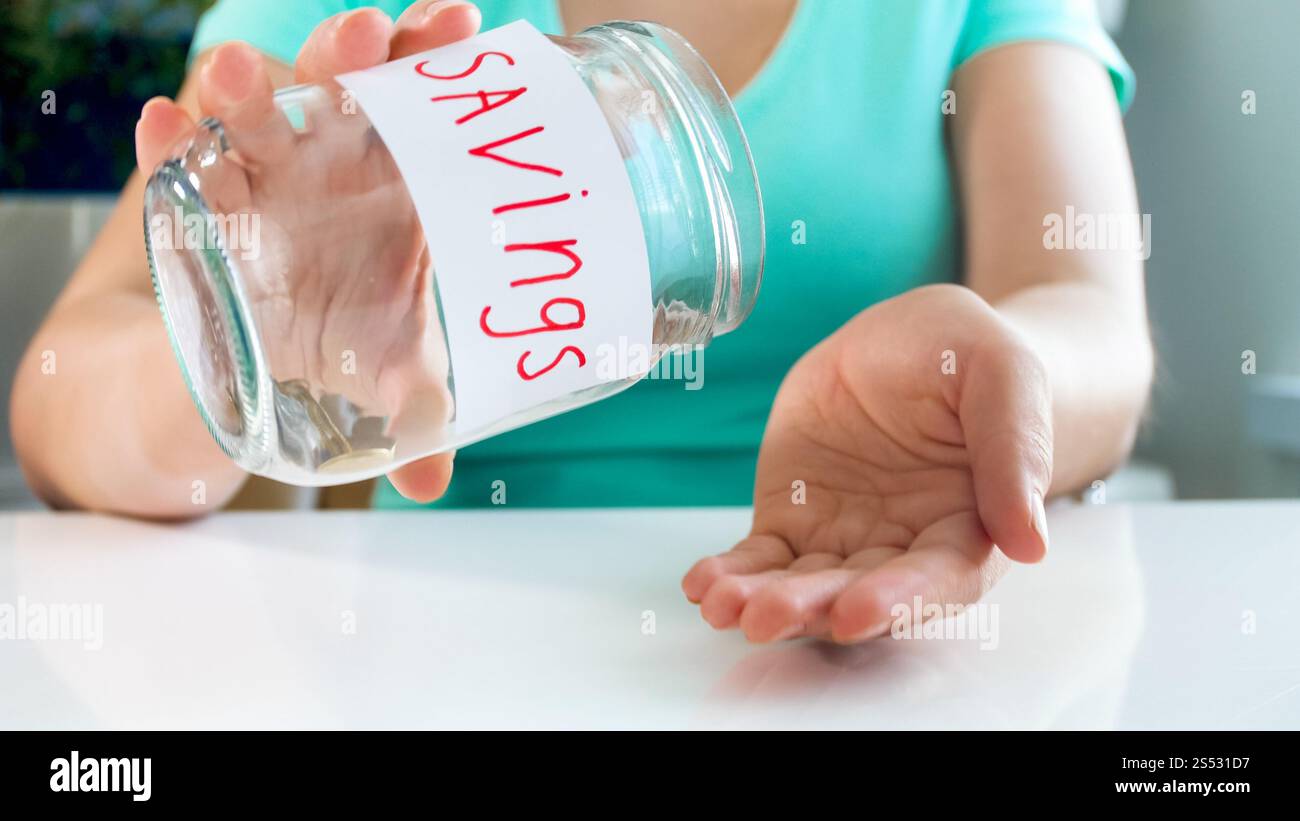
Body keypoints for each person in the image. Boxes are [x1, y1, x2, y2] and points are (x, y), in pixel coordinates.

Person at [9, 0, 1153, 643]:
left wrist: (991, 371)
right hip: (450, 644)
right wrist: (248, 350)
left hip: (884, 648)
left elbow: (1090, 313)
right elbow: (64, 401)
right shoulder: (354, 19)